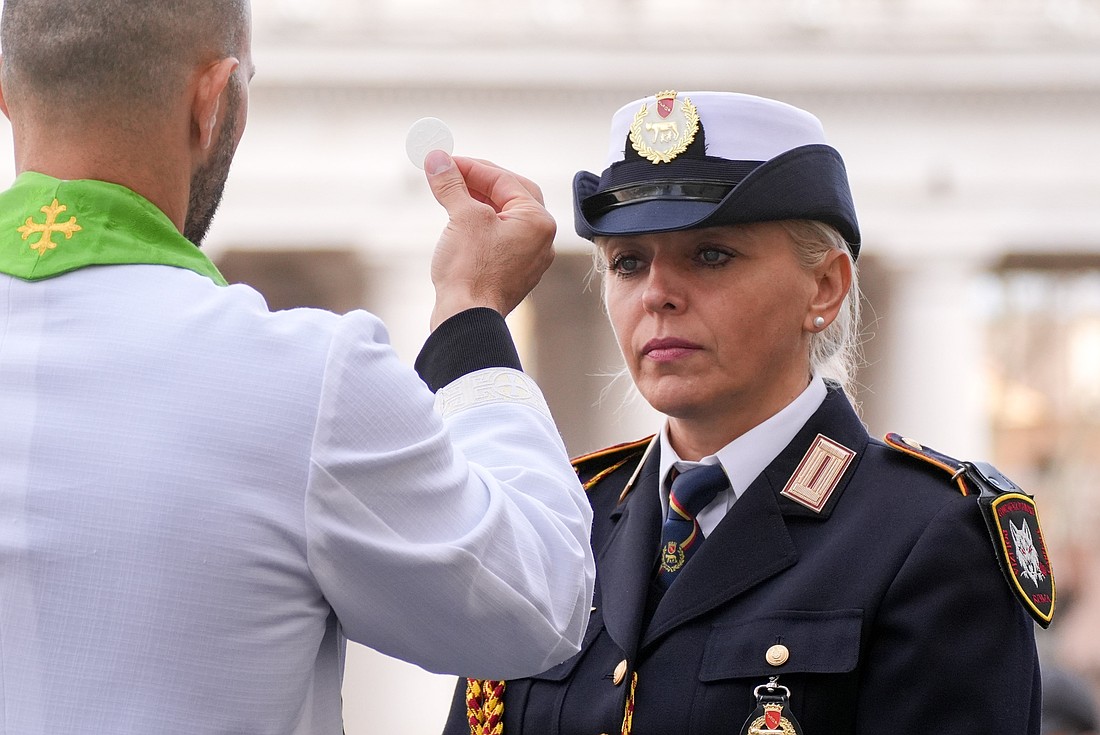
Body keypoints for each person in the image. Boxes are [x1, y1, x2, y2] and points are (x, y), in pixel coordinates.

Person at [0, 1, 596, 733]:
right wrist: (472, 318)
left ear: (5, 94)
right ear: (213, 103)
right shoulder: (306, 379)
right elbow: (534, 603)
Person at [444, 90, 1055, 734]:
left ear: (823, 287)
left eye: (711, 255)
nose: (657, 295)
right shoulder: (566, 515)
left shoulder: (924, 536)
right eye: (628, 263)